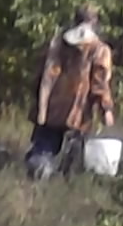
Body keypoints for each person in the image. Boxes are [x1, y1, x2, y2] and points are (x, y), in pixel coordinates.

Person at [28, 10, 115, 177]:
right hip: (78, 111)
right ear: (95, 22)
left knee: (43, 150)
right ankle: (61, 181)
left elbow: (42, 73)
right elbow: (100, 83)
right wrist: (107, 109)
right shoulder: (99, 49)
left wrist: (39, 106)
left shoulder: (57, 43)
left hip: (51, 108)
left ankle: (39, 175)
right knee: (74, 156)